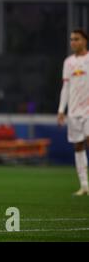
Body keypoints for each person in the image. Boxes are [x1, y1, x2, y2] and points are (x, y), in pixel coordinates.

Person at [58, 29, 89, 196]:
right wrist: (61, 110)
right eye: (71, 39)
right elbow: (66, 87)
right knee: (78, 146)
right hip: (74, 111)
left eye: (76, 39)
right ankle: (84, 185)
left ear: (85, 41)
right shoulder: (68, 62)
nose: (73, 42)